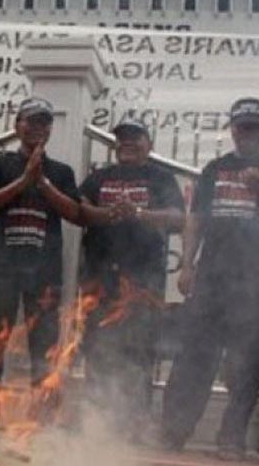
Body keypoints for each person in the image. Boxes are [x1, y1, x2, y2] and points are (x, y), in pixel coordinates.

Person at [161, 97, 259, 459]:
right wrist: (188, 265)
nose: (247, 132)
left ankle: (231, 437)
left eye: (254, 126)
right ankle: (174, 431)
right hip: (212, 278)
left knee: (248, 362)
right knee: (194, 355)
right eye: (241, 126)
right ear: (232, 130)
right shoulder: (214, 169)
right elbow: (196, 219)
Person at [0, 97, 81, 421]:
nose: (37, 128)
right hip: (0, 269)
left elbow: (75, 212)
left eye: (43, 123)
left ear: (50, 130)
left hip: (44, 272)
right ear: (17, 125)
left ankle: (40, 419)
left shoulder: (61, 171)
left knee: (44, 347)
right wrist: (22, 182)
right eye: (30, 121)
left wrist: (43, 183)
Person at [78, 116, 184, 436]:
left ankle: (134, 424)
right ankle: (96, 423)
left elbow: (178, 219)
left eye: (136, 138)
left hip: (143, 279)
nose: (128, 143)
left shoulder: (161, 178)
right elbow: (79, 209)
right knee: (97, 348)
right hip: (99, 276)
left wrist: (139, 214)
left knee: (139, 351)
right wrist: (108, 213)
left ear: (149, 146)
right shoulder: (99, 177)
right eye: (122, 138)